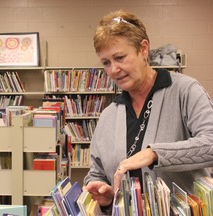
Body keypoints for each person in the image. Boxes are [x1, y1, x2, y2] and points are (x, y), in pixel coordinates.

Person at [83, 9, 213, 210]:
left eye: (120, 57)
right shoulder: (108, 114)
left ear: (143, 49)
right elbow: (96, 173)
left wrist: (155, 154)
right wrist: (105, 195)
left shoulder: (184, 91)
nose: (113, 70)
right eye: (106, 63)